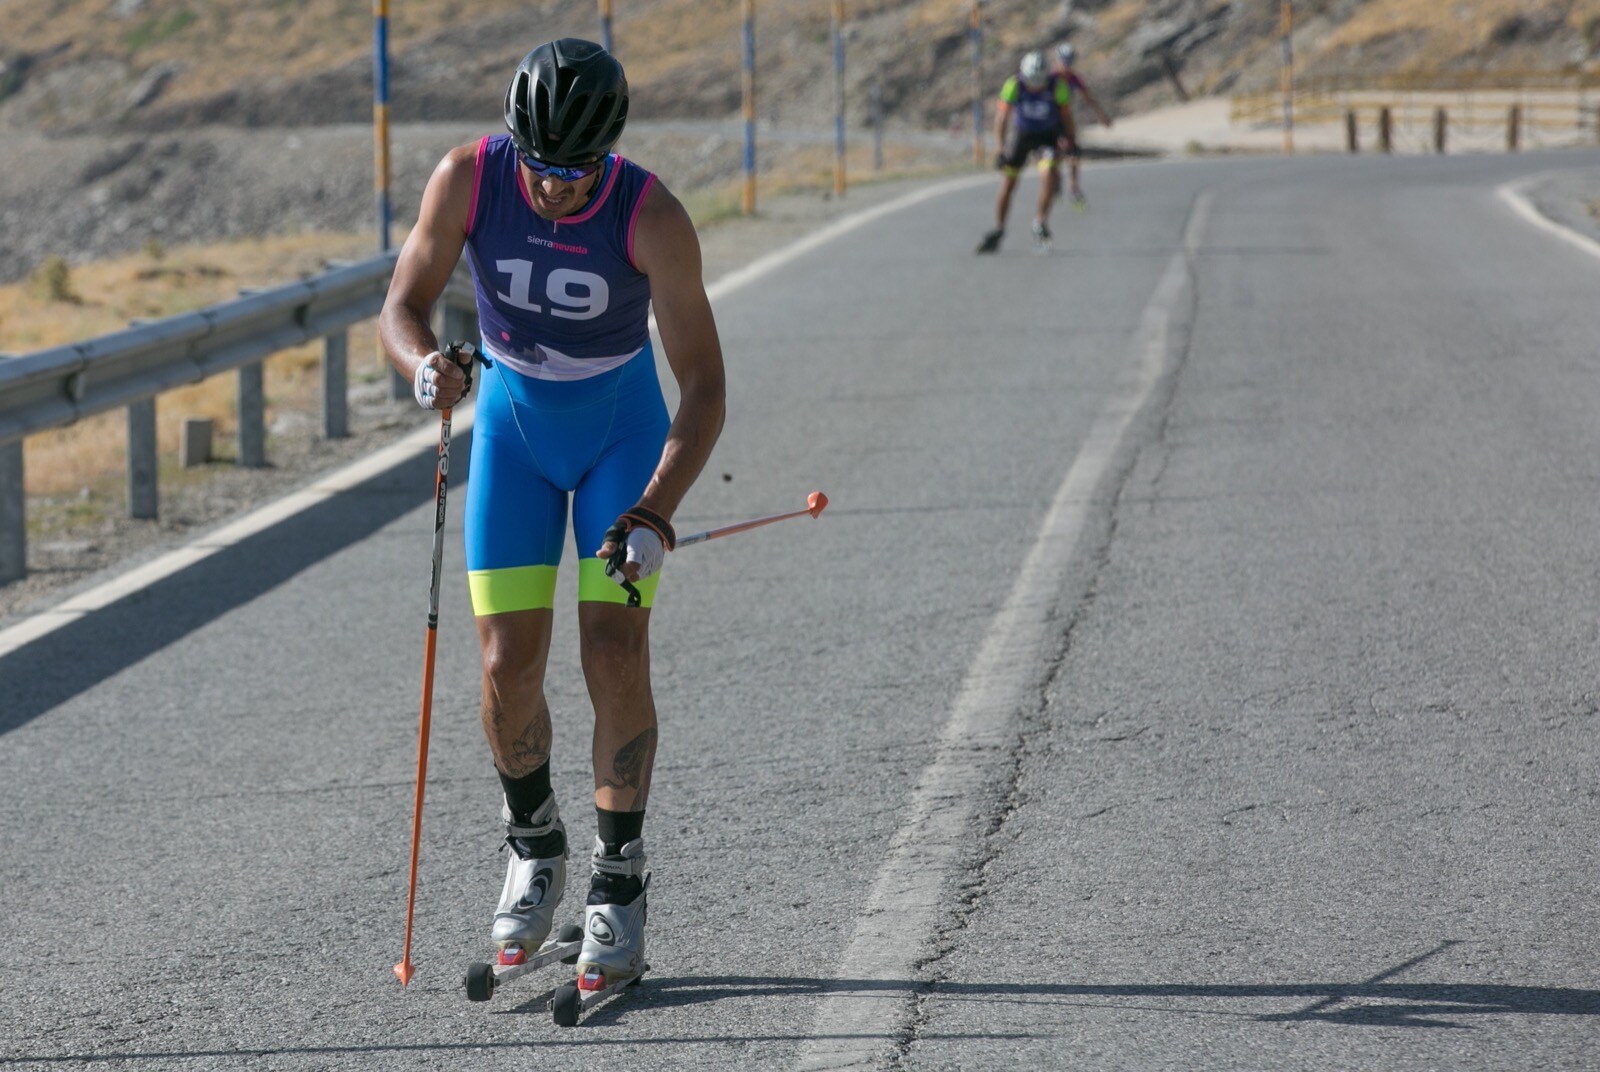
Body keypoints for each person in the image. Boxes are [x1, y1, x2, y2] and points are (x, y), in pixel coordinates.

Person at [378, 37, 726, 992]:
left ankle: (619, 880)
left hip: (621, 438)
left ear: (606, 157)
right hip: (513, 439)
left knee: (612, 652)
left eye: (576, 175)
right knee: (504, 663)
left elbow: (702, 387)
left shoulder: (651, 215)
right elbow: (401, 304)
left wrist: (656, 511)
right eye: (539, 167)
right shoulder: (468, 179)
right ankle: (536, 848)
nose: (554, 190)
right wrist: (423, 366)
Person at [976, 51, 1074, 254]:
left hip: (1047, 136)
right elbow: (1002, 118)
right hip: (1022, 136)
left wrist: (1071, 140)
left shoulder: (1058, 85)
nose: (1036, 85)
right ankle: (999, 228)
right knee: (1008, 183)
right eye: (1032, 81)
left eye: (1040, 81)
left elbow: (1066, 116)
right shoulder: (1014, 84)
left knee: (1049, 176)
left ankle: (1040, 222)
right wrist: (1001, 149)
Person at [1049, 42, 1114, 210]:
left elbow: (1088, 97)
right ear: (1057, 60)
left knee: (1073, 154)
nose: (1067, 65)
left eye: (1070, 61)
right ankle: (1055, 183)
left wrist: (1102, 116)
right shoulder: (1050, 78)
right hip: (1048, 121)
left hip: (1066, 120)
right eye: (1064, 61)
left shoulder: (1073, 78)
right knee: (1053, 155)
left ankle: (1073, 189)